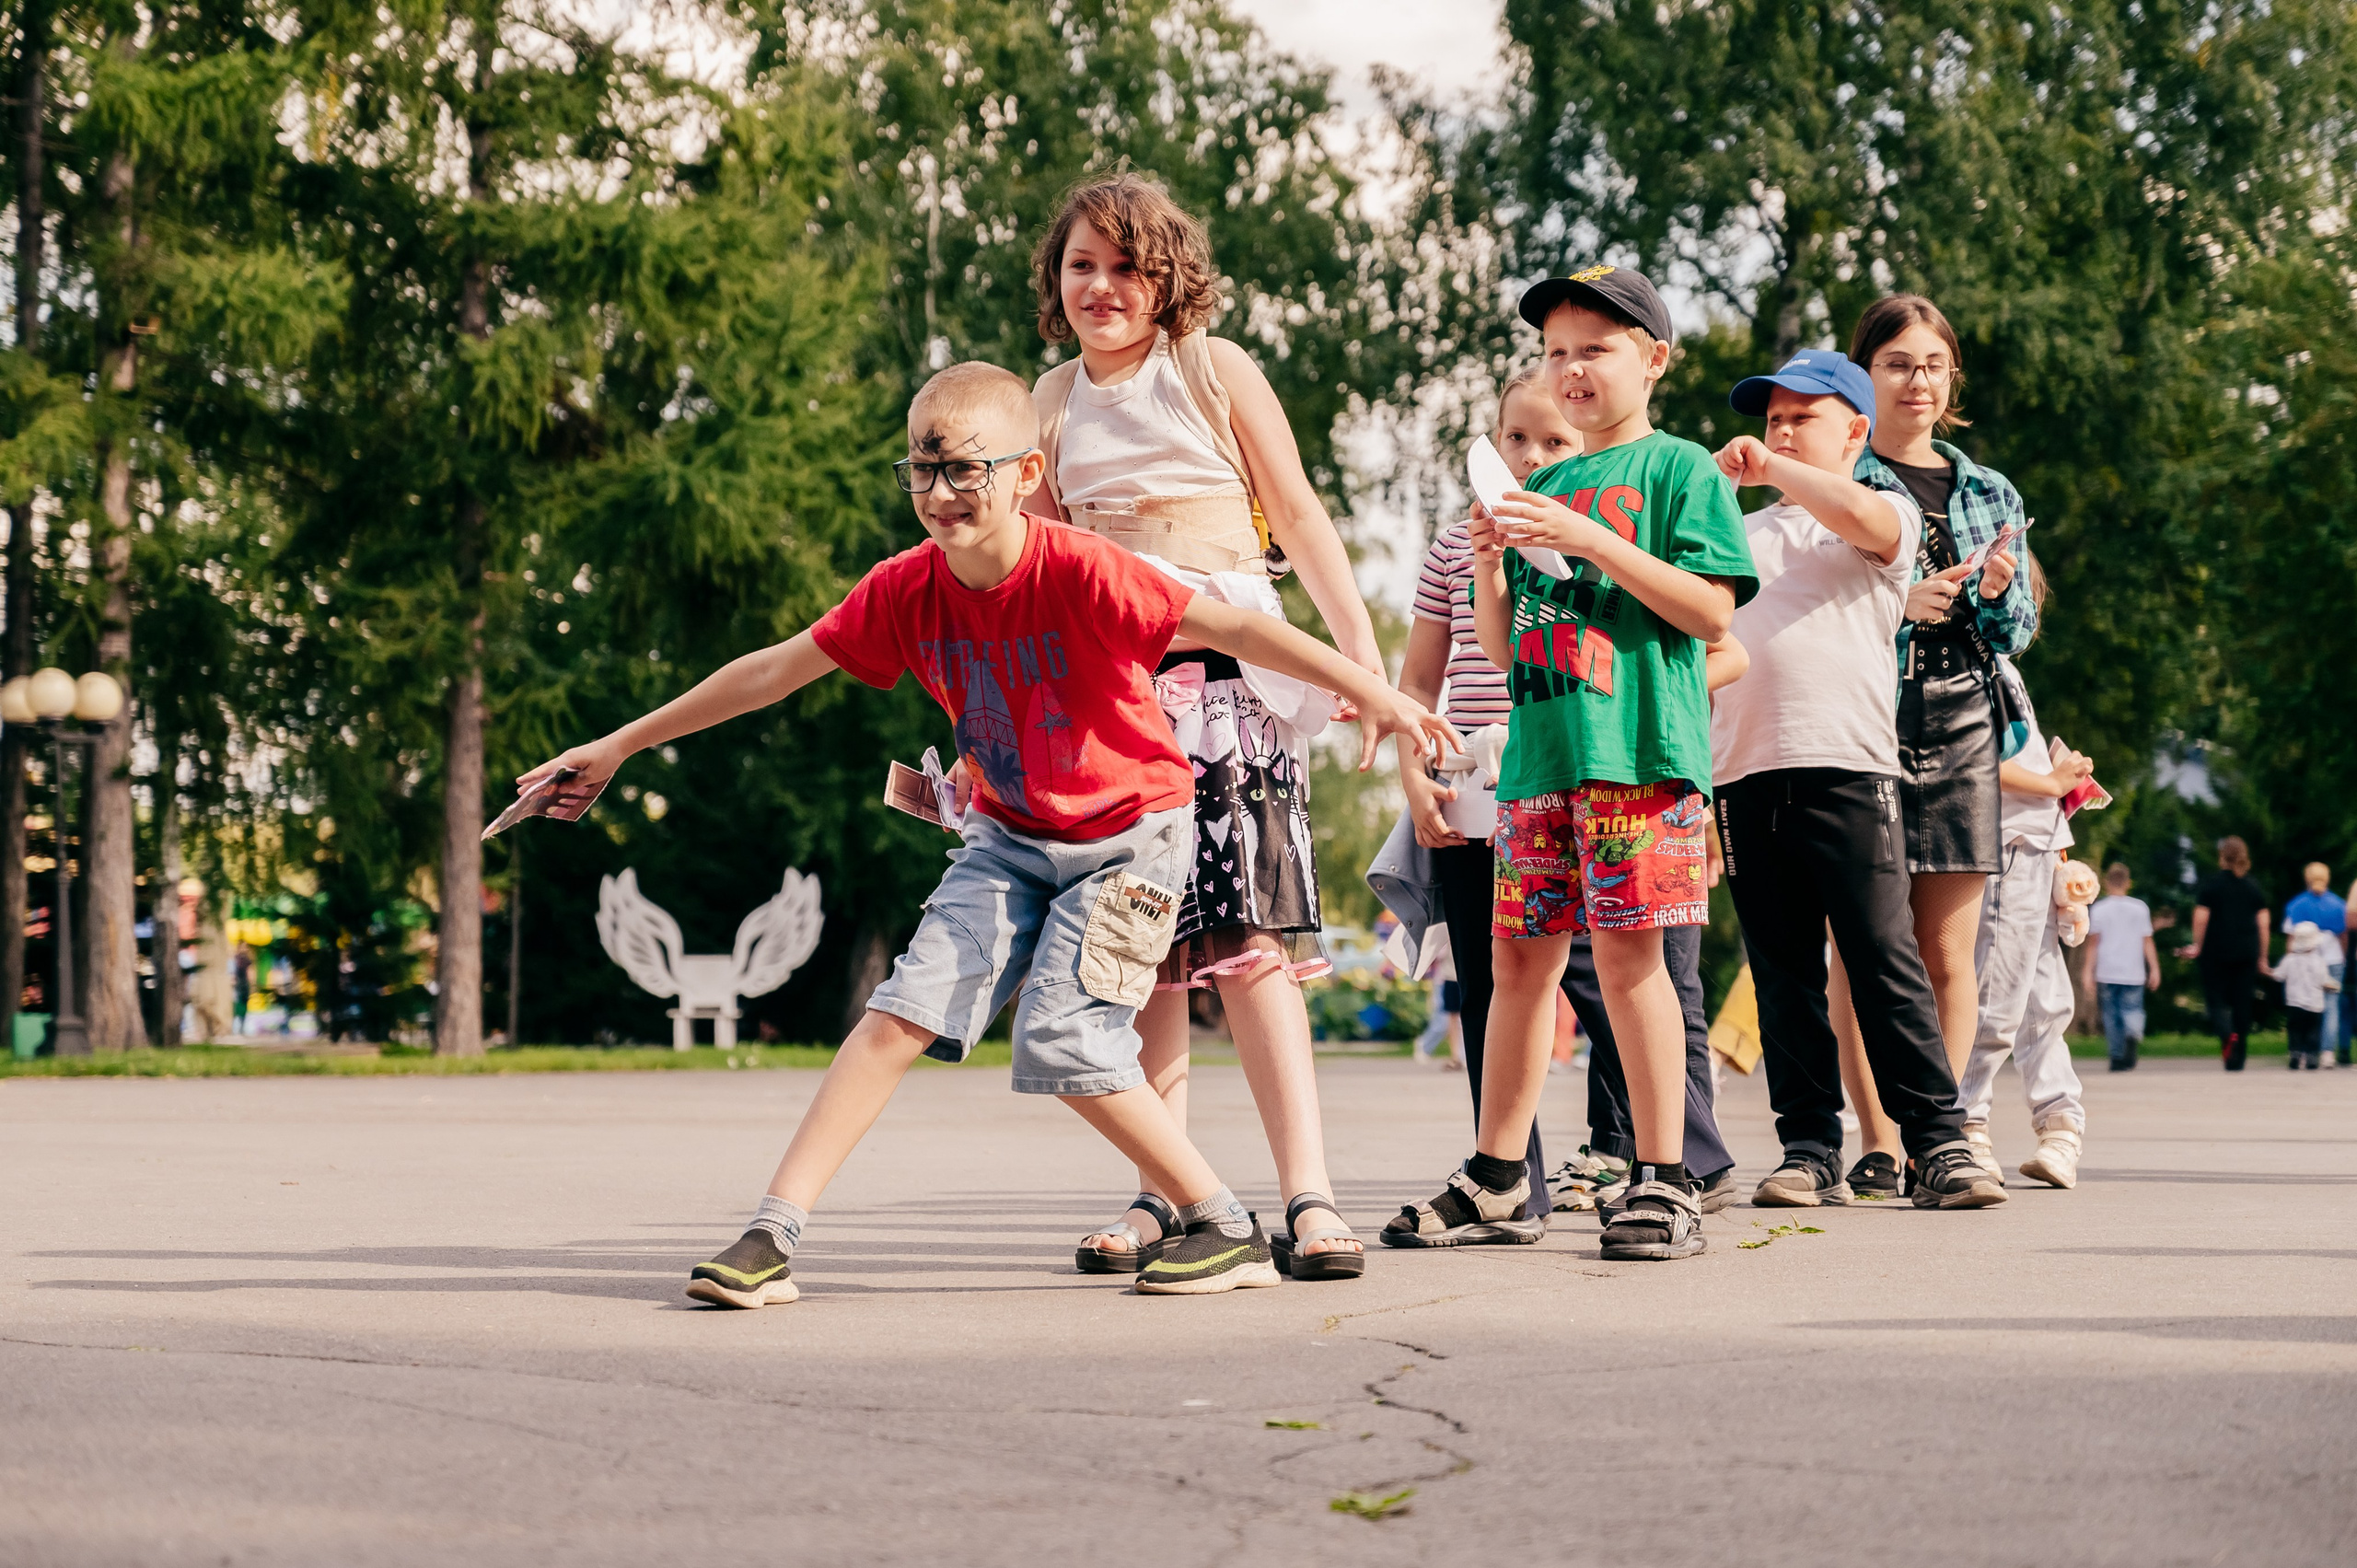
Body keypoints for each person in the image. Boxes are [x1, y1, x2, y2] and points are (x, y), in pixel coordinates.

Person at [518, 363, 1455, 1308]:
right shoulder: (904, 589)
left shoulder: (1084, 569)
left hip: (1134, 839)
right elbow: (771, 669)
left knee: (1061, 1038)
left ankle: (1223, 1223)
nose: (940, 494)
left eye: (966, 470)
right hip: (1009, 839)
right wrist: (620, 744)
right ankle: (772, 1232)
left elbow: (1236, 629)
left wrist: (1376, 691)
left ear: (1026, 473)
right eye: (922, 471)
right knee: (897, 1014)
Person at [1024, 175, 1383, 1281]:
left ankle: (1310, 1195)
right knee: (1140, 952)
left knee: (1250, 948)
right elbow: (1036, 567)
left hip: (1231, 697)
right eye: (1082, 265)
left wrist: (1360, 661)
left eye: (1127, 266)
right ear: (1055, 278)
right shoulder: (1048, 398)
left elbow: (1302, 514)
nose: (1102, 287)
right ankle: (1167, 1193)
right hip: (1116, 703)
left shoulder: (1212, 368)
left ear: (1169, 275)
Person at [1384, 261, 1758, 1263]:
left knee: (1633, 964)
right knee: (1517, 965)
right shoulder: (1538, 486)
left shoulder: (1680, 469)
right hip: (1537, 761)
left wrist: (1589, 537)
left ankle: (1663, 1174)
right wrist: (1490, 568)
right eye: (1555, 351)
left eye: (1595, 347)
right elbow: (1507, 652)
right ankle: (1499, 1173)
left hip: (1638, 756)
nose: (1572, 367)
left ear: (1654, 358)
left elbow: (1711, 612)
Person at [1707, 347, 2003, 1210]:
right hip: (1745, 773)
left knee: (1883, 959)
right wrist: (1714, 493)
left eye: (1803, 417)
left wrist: (1779, 471)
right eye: (1772, 420)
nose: (1781, 432)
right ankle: (1808, 1146)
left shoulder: (1882, 516)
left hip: (1849, 768)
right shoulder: (1739, 534)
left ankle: (1938, 1142)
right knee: (1782, 972)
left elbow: (1866, 519)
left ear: (1855, 432)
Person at [1826, 294, 2038, 1198]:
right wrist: (1896, 605)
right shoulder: (1840, 476)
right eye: (1896, 364)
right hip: (1862, 713)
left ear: (1952, 379)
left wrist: (1991, 594)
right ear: (1864, 376)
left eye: (1932, 365)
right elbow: (1804, 606)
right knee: (1863, 945)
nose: (1916, 381)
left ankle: (1935, 1141)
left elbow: (2016, 630)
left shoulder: (1990, 490)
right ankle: (1878, 1142)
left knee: (1949, 949)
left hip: (1962, 719)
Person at [1956, 656, 2093, 1189]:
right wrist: (2052, 782)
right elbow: (1972, 756)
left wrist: (2060, 859)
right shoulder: (1961, 657)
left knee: (2045, 999)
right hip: (2003, 839)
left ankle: (2061, 1124)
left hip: (2035, 841)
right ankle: (1967, 1123)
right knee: (1994, 995)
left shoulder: (2002, 665)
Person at [2179, 836, 2269, 1071]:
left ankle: (2227, 1035)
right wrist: (2262, 956)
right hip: (2246, 952)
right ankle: (2238, 1058)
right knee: (2242, 1003)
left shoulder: (2212, 885)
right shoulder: (2252, 886)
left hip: (2215, 952)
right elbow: (2263, 924)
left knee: (2216, 1000)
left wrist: (2197, 945)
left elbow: (2201, 918)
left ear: (2222, 857)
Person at [2083, 864, 2160, 1071]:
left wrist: (2088, 971)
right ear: (2128, 883)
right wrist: (2154, 969)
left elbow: (2093, 944)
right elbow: (2147, 942)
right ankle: (2132, 1033)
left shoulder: (2099, 909)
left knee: (2111, 1015)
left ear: (2106, 882)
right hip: (2133, 971)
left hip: (2107, 970)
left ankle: (2117, 1056)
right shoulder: (2140, 908)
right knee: (2132, 1009)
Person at [2283, 864, 2344, 1068]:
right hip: (2333, 959)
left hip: (2304, 961)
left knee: (2303, 1005)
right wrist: (2344, 957)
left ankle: (2303, 1051)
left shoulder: (2297, 905)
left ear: (2306, 878)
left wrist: (2290, 960)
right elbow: (2343, 936)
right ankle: (2327, 1053)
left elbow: (2291, 937)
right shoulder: (2338, 905)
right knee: (2332, 1006)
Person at [2274, 923, 2335, 1070]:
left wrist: (2267, 971)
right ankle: (2311, 1056)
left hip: (2294, 1003)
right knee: (2313, 1031)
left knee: (2295, 1030)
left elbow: (2278, 975)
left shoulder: (2289, 959)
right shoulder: (2319, 961)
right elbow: (2324, 981)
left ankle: (2295, 1054)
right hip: (2315, 1005)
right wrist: (2331, 987)